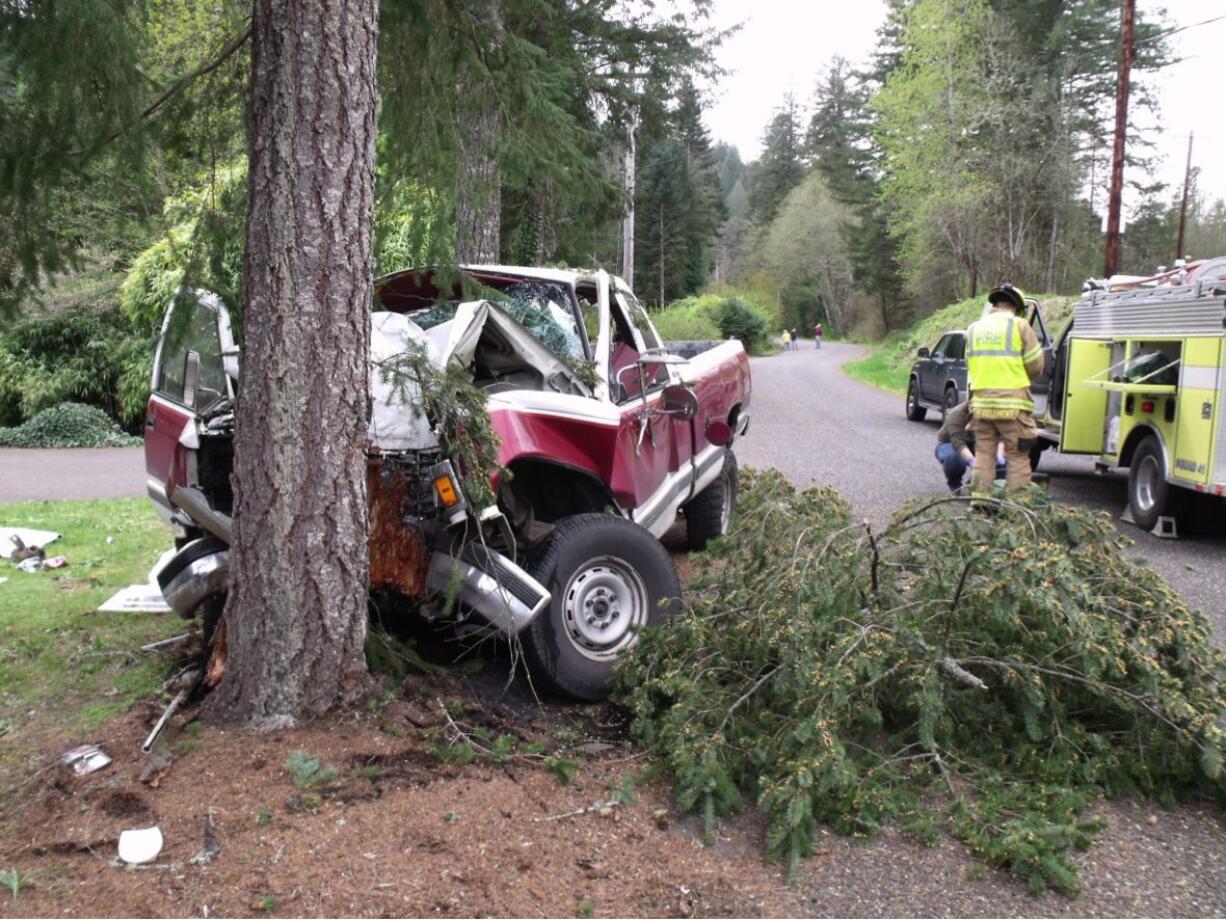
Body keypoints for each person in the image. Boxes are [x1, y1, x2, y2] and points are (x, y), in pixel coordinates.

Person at [965, 283, 1045, 492]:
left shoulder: (974, 328)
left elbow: (971, 363)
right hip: (1013, 406)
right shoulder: (1019, 325)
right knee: (1018, 455)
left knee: (983, 455)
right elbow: (1036, 365)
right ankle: (1016, 507)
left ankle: (979, 501)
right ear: (1018, 307)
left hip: (981, 405)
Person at [935, 400, 1007, 492]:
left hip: (978, 444)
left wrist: (1000, 455)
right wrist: (972, 461)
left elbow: (1001, 436)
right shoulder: (957, 414)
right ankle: (955, 484)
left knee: (1004, 460)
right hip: (950, 444)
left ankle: (992, 486)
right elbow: (958, 443)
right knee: (954, 458)